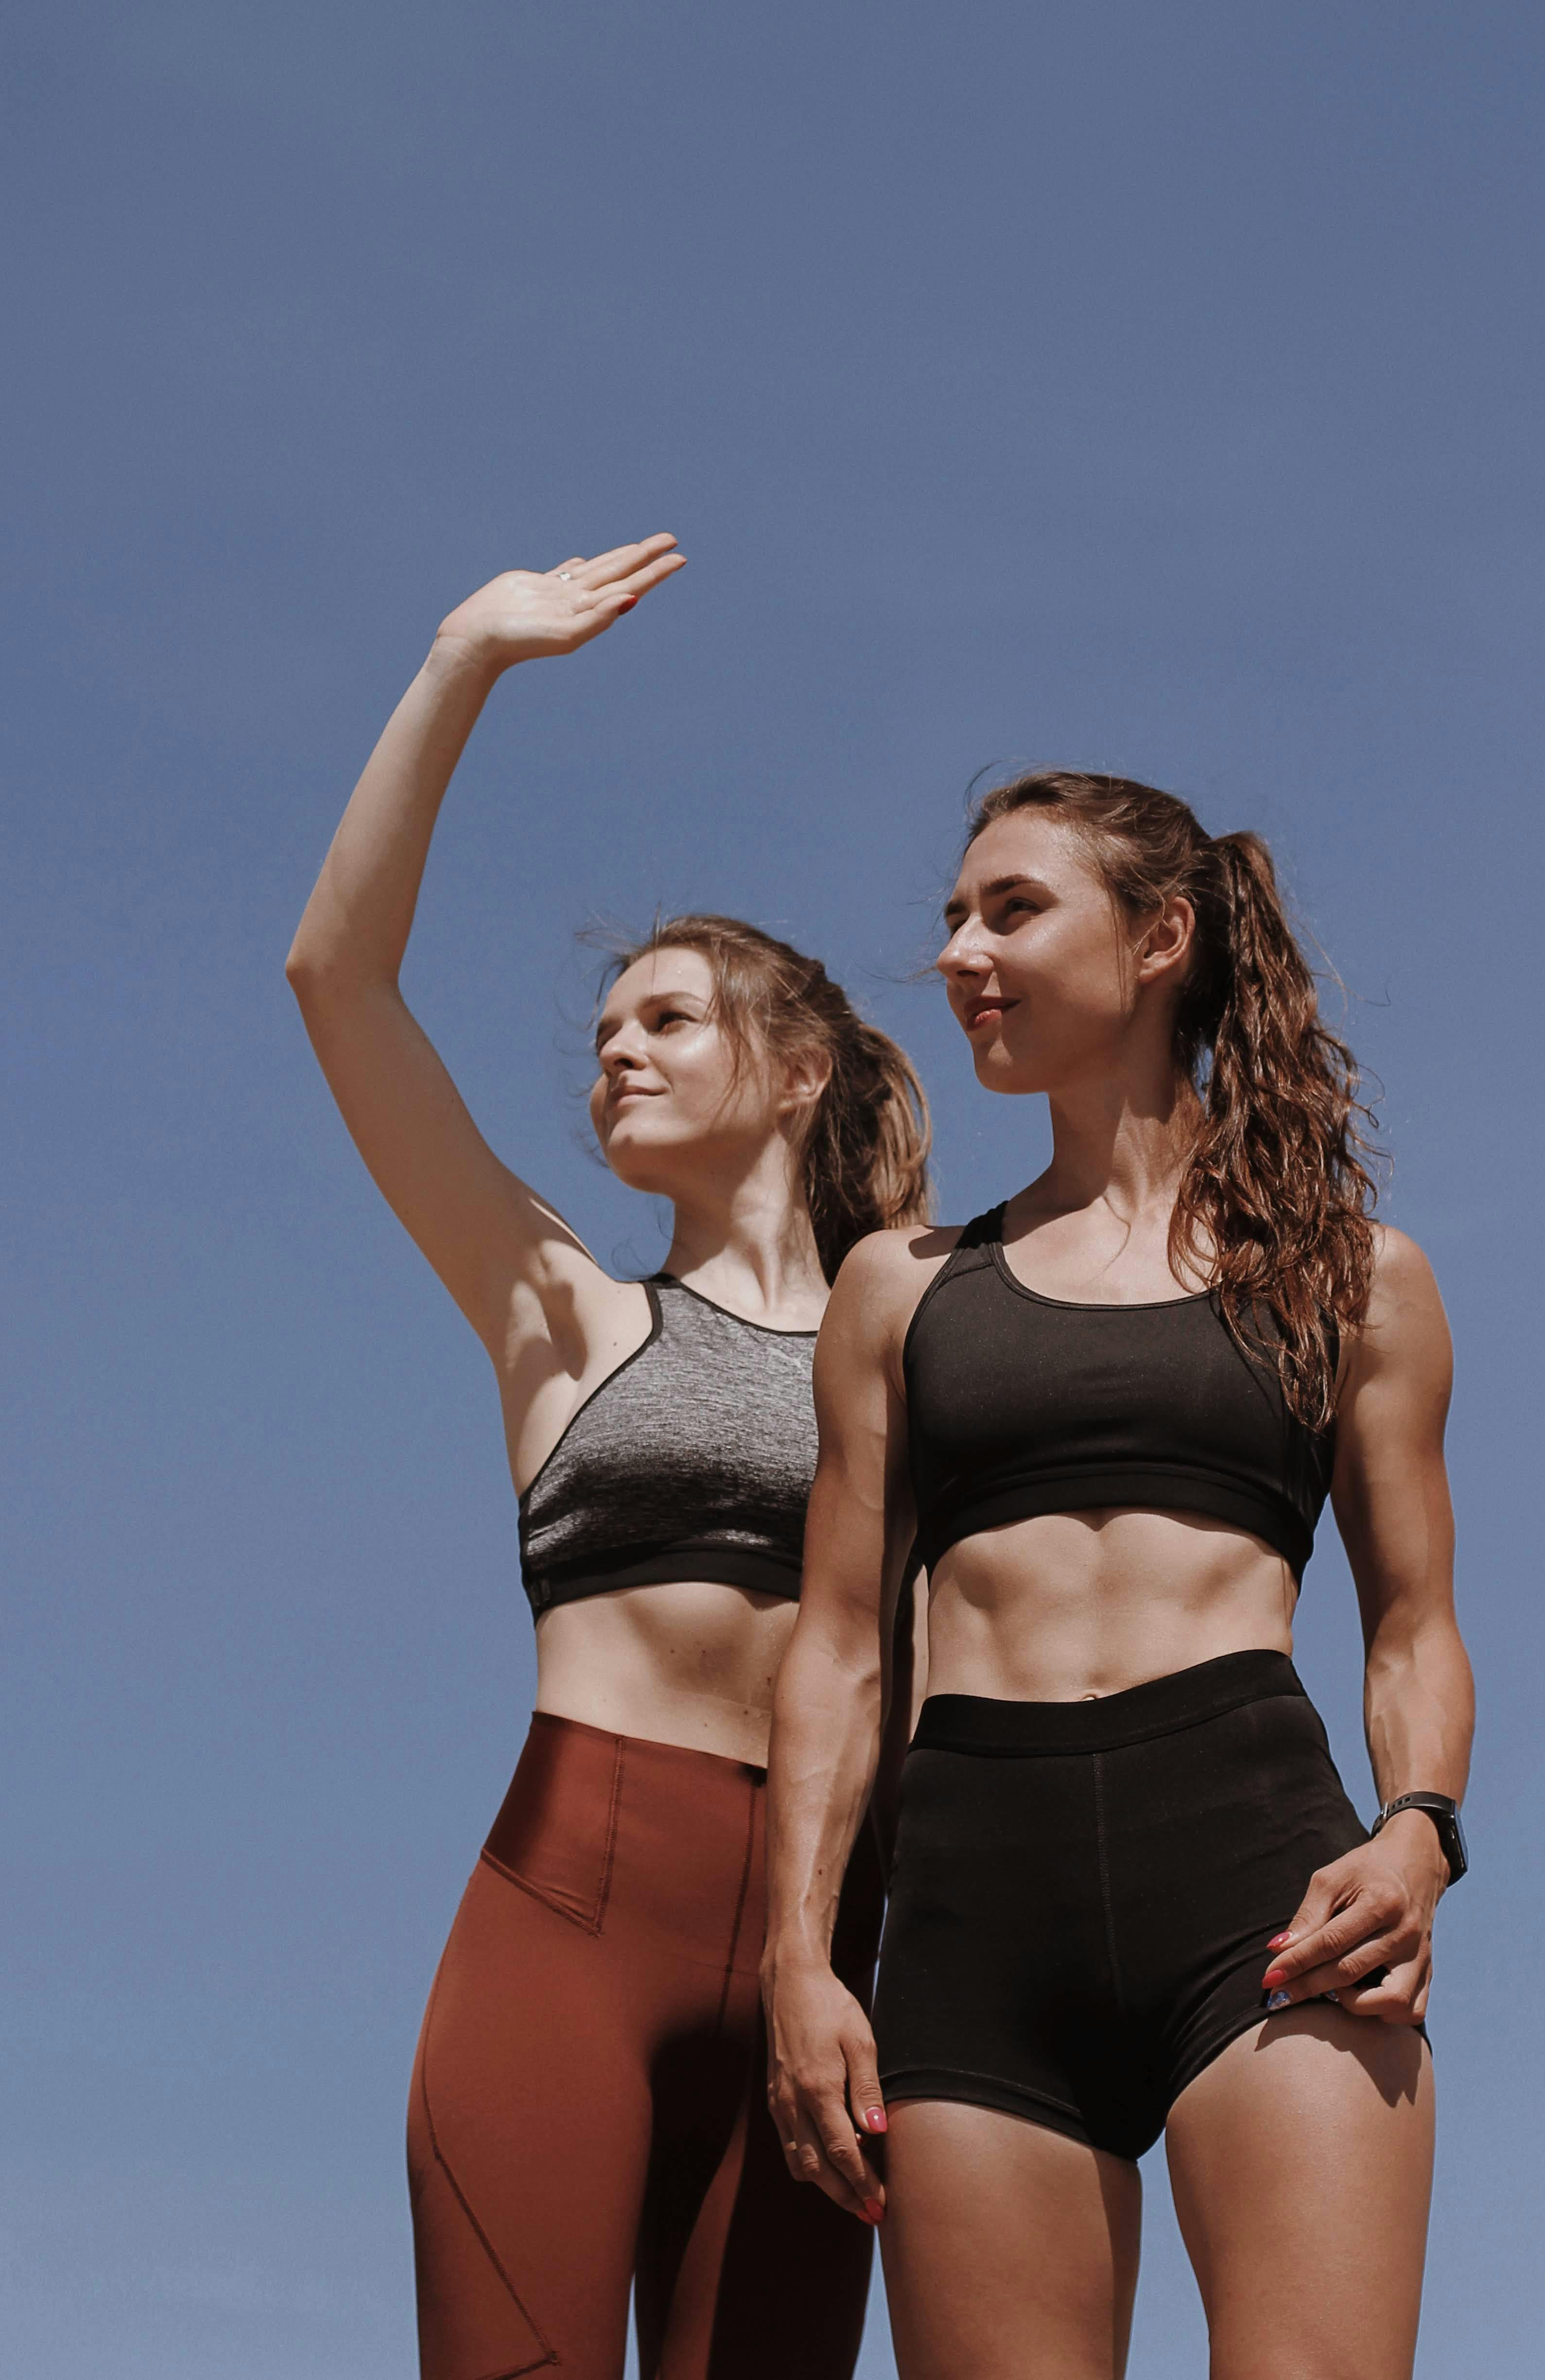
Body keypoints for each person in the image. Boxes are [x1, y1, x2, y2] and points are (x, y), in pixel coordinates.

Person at [285, 536, 931, 2380]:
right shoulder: (559, 1304)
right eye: (599, 1037)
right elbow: (339, 980)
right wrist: (461, 659)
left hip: (831, 1948)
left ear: (798, 1067)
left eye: (663, 1019)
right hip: (565, 1931)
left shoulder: (927, 1327)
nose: (614, 1059)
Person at [761, 770, 1474, 2380]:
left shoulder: (1353, 1279)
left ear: (1160, 938)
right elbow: (838, 1653)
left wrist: (1420, 1827)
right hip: (970, 1919)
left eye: (1009, 909)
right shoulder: (899, 1289)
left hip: (1262, 1896)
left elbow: (1414, 1628)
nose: (957, 952)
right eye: (951, 915)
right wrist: (796, 1956)